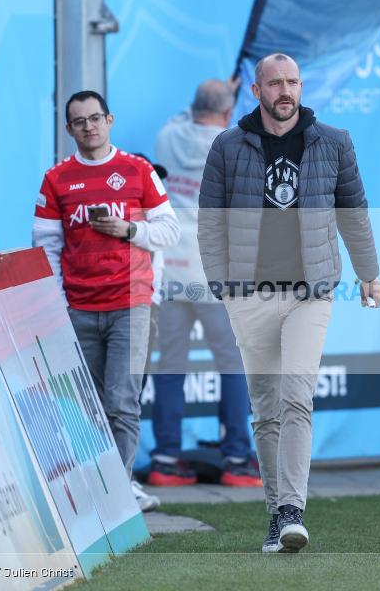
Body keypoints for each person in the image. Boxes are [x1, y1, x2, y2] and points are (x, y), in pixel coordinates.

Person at [198, 53, 380, 553]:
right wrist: (221, 285)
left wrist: (369, 273)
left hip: (311, 292)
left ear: (302, 87)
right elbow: (209, 220)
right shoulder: (227, 146)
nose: (286, 91)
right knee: (266, 411)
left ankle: (294, 511)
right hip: (250, 294)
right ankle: (276, 515)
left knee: (297, 395)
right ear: (255, 91)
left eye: (293, 82)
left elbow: (354, 210)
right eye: (275, 83)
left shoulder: (334, 142)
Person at [32, 90, 180, 512]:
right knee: (87, 406)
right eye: (79, 121)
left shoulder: (137, 170)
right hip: (79, 307)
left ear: (110, 120)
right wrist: (58, 303)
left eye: (95, 118)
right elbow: (45, 248)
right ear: (69, 129)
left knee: (121, 402)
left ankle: (117, 493)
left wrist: (128, 229)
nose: (89, 127)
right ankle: (98, 487)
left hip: (131, 303)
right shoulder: (56, 178)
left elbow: (170, 231)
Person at [148, 79, 261, 488]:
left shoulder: (167, 137)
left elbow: (186, 116)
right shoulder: (237, 144)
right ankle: (236, 458)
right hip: (216, 274)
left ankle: (164, 457)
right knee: (233, 365)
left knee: (171, 365)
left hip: (172, 270)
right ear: (228, 113)